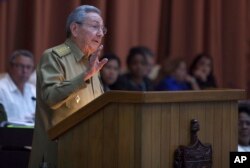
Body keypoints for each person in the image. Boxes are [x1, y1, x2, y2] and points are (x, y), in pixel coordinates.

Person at [29, 5, 108, 168]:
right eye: (95, 26)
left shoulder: (92, 62)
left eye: (102, 28)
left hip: (88, 151)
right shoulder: (54, 56)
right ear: (75, 28)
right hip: (58, 153)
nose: (100, 33)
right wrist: (84, 76)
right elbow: (51, 97)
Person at [0, 50, 36, 125]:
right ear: (11, 67)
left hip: (31, 132)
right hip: (8, 133)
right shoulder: (1, 88)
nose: (25, 70)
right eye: (21, 66)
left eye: (28, 67)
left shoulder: (32, 90)